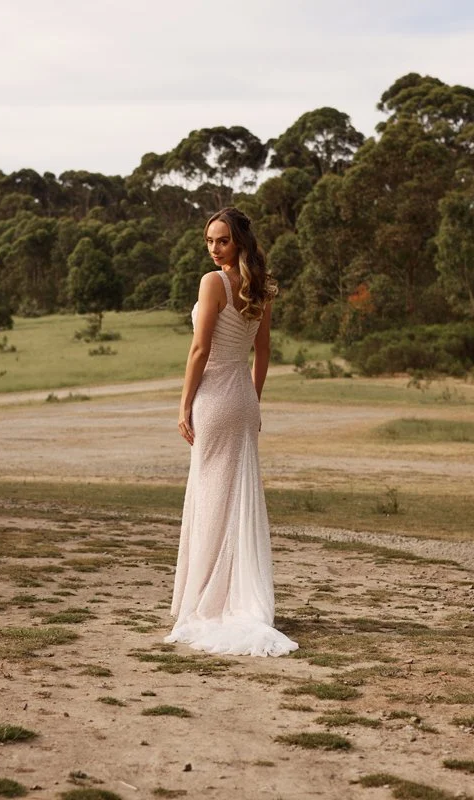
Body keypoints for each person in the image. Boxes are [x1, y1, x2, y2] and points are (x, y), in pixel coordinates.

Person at [165, 207, 298, 658]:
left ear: (238, 241)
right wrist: (254, 399)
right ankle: (232, 593)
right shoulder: (261, 287)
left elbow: (200, 348)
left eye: (221, 240)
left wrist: (184, 404)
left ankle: (208, 598)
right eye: (209, 241)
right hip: (241, 396)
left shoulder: (212, 282)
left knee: (211, 495)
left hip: (216, 396)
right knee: (234, 494)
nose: (214, 248)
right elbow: (262, 353)